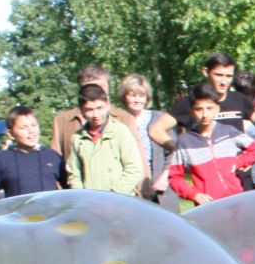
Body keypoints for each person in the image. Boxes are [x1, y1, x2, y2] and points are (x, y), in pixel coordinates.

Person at [167, 83, 255, 204]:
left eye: (209, 108)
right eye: (199, 109)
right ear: (191, 111)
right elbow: (174, 177)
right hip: (208, 205)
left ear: (217, 109)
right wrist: (194, 194)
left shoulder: (228, 132)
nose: (204, 114)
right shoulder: (185, 142)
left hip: (236, 200)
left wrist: (239, 162)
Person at [65, 83, 144, 195]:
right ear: (81, 110)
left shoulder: (120, 132)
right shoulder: (77, 138)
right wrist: (82, 196)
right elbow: (74, 174)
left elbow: (134, 169)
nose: (96, 114)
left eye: (99, 108)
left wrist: (114, 195)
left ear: (107, 104)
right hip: (90, 202)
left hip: (120, 201)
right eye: (89, 110)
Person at [51, 65, 138, 161]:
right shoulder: (62, 120)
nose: (97, 92)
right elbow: (54, 162)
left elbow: (138, 162)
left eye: (102, 87)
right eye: (91, 87)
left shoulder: (125, 118)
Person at [0, 107, 66, 203]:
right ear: (10, 133)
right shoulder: (2, 160)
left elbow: (70, 190)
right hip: (17, 216)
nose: (31, 131)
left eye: (34, 125)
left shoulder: (52, 157)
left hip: (50, 215)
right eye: (23, 128)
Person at [118, 74, 175, 209]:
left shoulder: (160, 119)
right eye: (132, 95)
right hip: (130, 188)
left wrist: (165, 176)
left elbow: (175, 152)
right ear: (124, 96)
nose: (137, 100)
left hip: (160, 187)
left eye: (141, 96)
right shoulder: (117, 121)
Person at [168, 52, 251, 130]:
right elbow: (157, 131)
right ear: (206, 72)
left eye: (229, 76)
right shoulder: (191, 102)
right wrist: (181, 145)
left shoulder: (240, 99)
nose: (223, 82)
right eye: (219, 75)